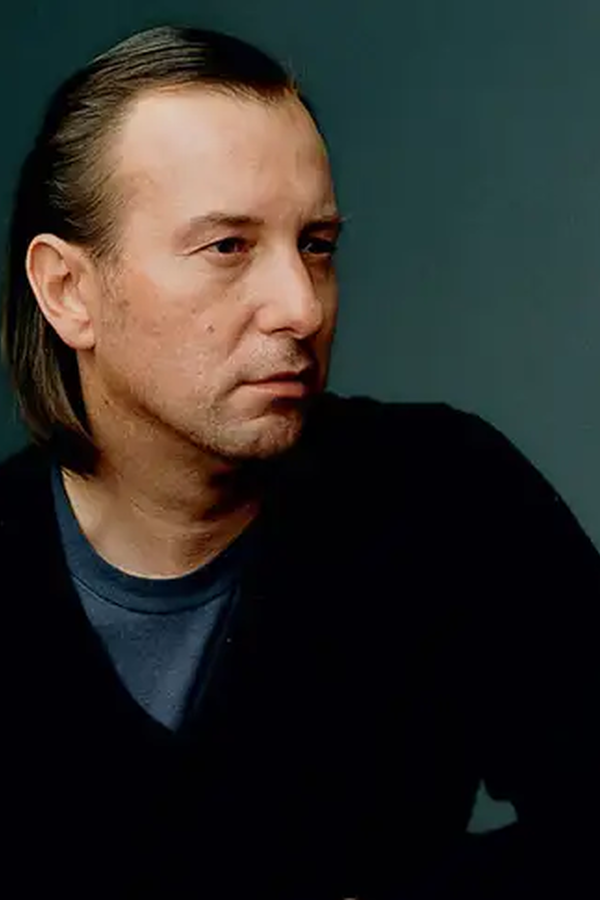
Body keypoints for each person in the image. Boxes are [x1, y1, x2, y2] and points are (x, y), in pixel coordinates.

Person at [0, 24, 597, 900]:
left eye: (316, 244)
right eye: (227, 247)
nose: (301, 308)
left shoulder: (447, 499)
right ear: (67, 290)